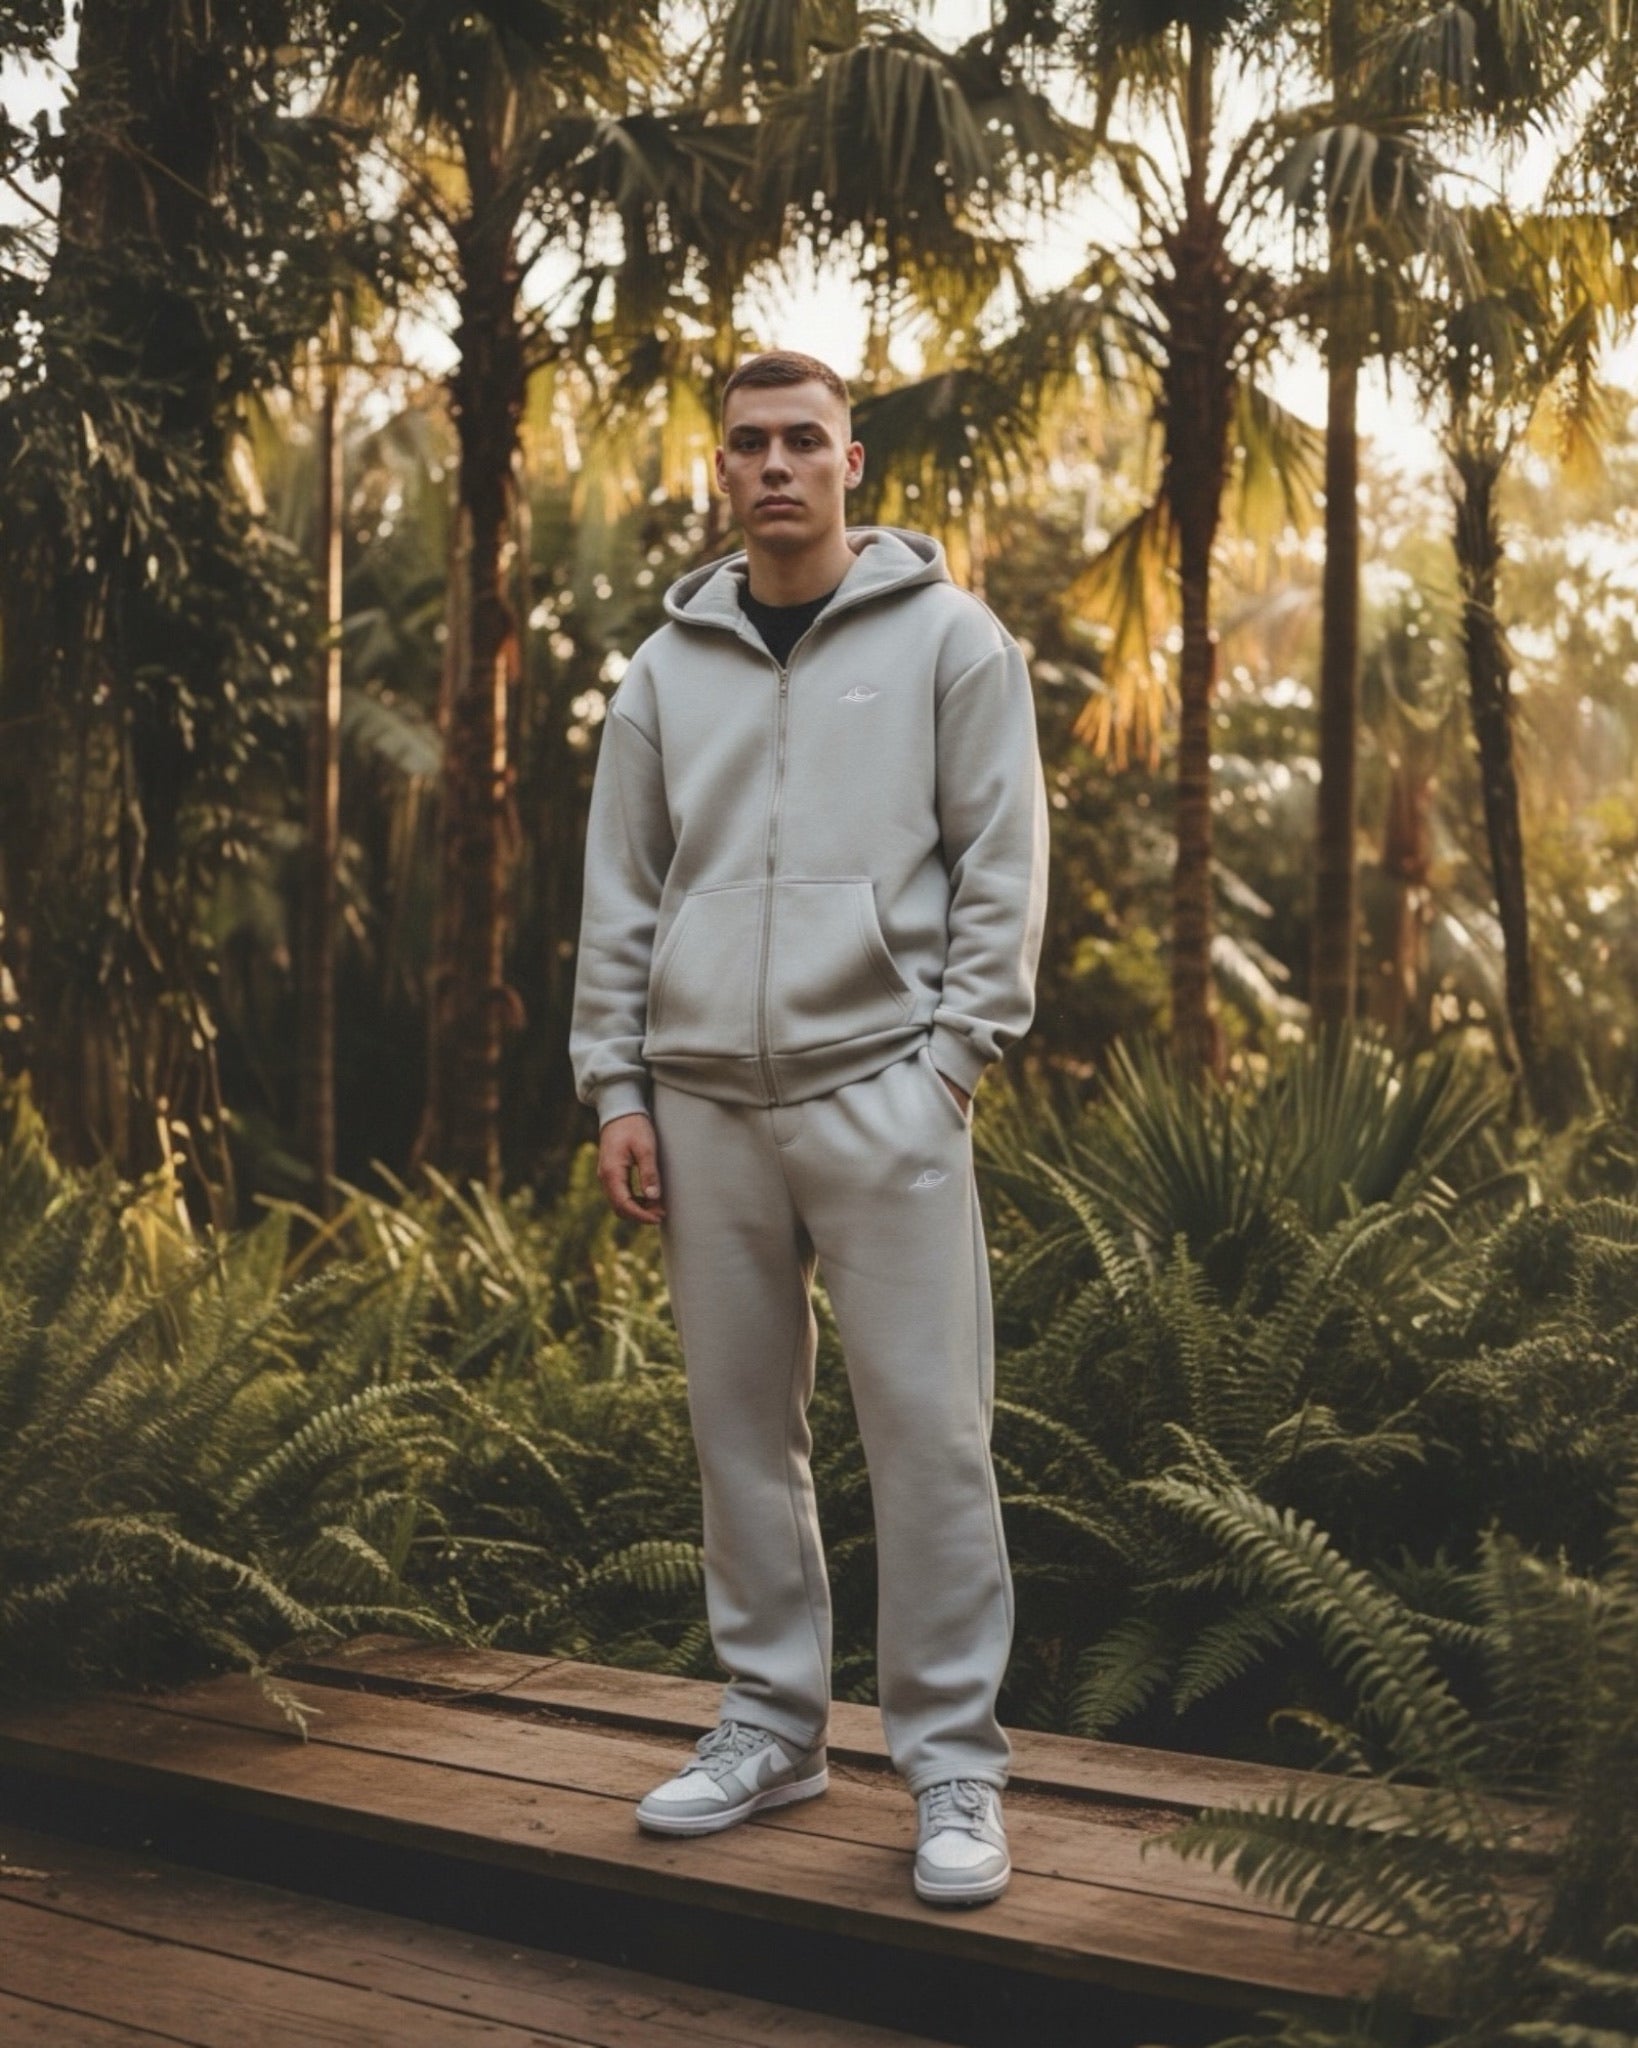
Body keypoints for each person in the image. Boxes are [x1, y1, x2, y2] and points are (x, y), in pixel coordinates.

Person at [568, 348, 1049, 1908]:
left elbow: (1001, 868)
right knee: (738, 1438)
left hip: (883, 1093)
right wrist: (619, 1087)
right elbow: (621, 892)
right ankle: (772, 1729)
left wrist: (950, 1067)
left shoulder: (950, 641)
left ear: (852, 462)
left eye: (800, 440)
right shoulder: (664, 671)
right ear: (720, 468)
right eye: (746, 443)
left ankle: (953, 1763)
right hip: (702, 1100)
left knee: (929, 1437)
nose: (773, 465)